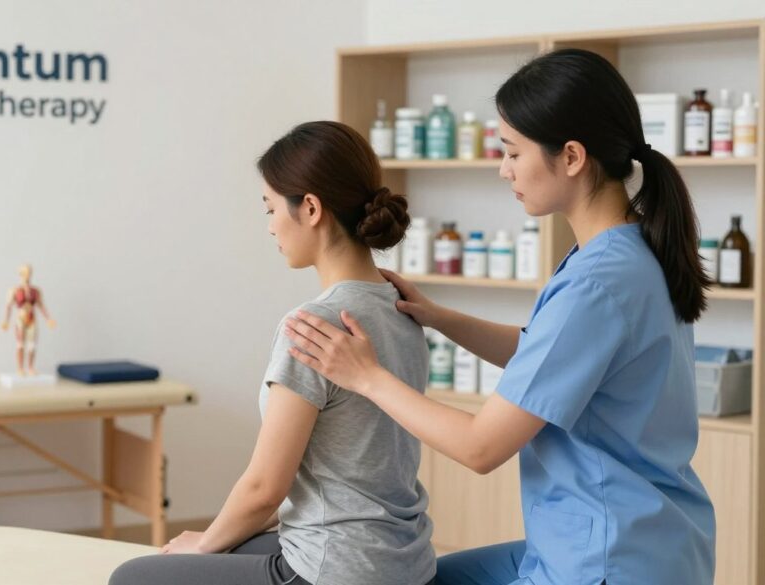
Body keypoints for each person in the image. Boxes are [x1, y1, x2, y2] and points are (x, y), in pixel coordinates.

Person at [285, 49, 716, 585]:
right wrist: (439, 317)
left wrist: (367, 378)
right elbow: (547, 353)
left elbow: (480, 447)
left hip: (609, 558)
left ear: (573, 157)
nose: (503, 169)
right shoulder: (627, 249)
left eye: (513, 152)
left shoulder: (598, 284)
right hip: (646, 535)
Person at [110, 121, 437, 585]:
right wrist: (217, 540)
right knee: (231, 543)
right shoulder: (404, 307)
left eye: (270, 208)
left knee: (134, 577)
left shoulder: (312, 326)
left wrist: (203, 544)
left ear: (309, 208)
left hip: (336, 570)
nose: (269, 227)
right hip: (405, 562)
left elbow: (266, 489)